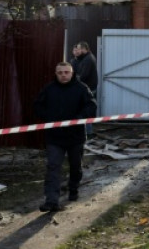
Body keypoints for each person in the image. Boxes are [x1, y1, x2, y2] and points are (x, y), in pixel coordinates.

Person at [34, 61, 96, 212]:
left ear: (72, 73)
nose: (63, 75)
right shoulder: (49, 89)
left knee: (75, 166)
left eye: (66, 72)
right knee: (53, 167)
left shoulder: (81, 88)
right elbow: (37, 105)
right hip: (54, 137)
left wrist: (80, 117)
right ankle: (51, 201)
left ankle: (73, 188)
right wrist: (48, 117)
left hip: (75, 136)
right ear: (56, 74)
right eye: (60, 72)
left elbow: (92, 105)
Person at [71, 41, 98, 138]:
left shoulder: (88, 59)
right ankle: (86, 131)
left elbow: (83, 76)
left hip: (88, 89)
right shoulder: (85, 58)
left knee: (86, 111)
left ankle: (89, 133)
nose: (77, 51)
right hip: (88, 89)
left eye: (78, 49)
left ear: (83, 49)